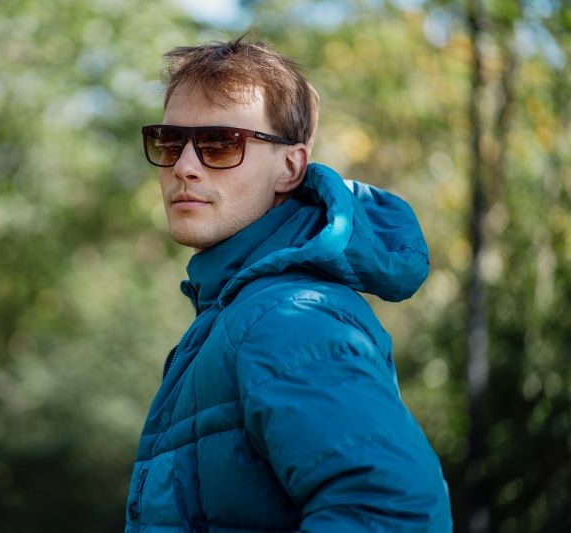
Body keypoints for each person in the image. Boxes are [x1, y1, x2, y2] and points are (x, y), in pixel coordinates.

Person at [126, 36, 452, 532]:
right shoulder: (234, 312)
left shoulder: (288, 318)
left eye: (220, 143)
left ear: (290, 167)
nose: (184, 167)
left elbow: (391, 511)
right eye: (170, 143)